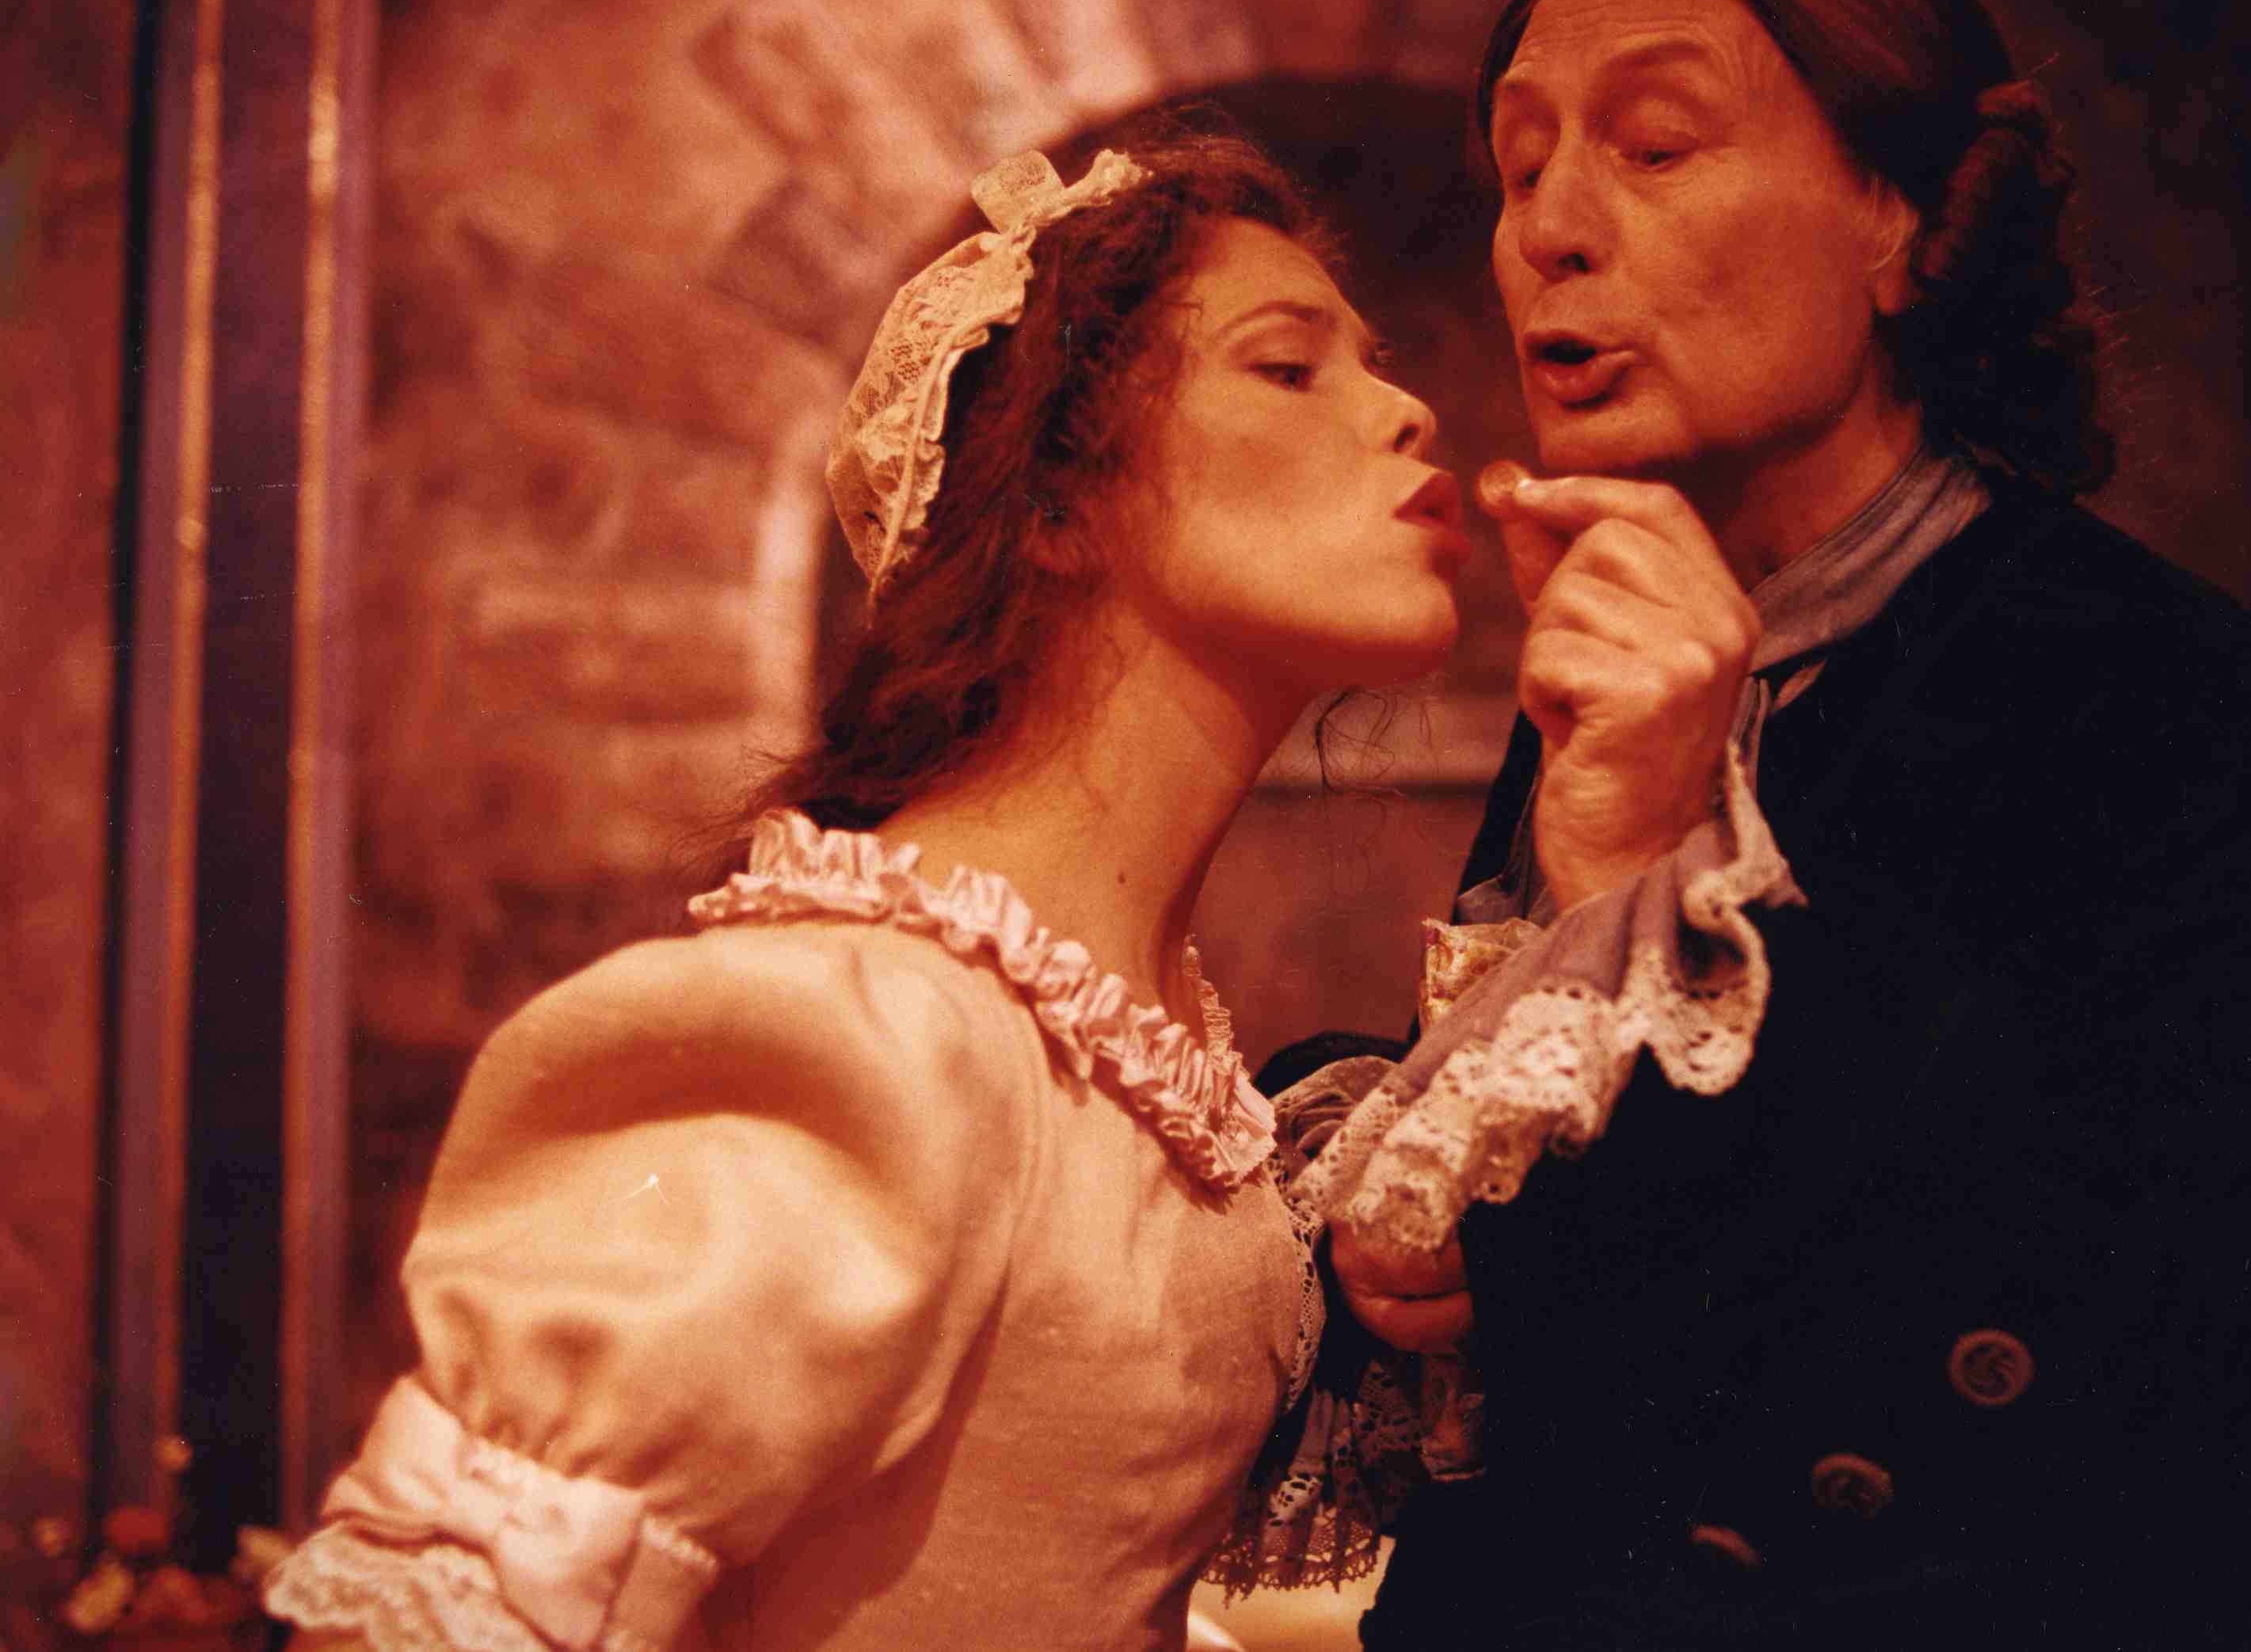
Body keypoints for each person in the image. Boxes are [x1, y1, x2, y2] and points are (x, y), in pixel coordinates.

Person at [1304, 0, 2251, 1650]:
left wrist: (1642, 875)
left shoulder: (2175, 699)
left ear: (1904, 222)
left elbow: (2007, 1367)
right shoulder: (1638, 670)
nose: (1548, 226)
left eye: (1653, 146)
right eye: (1518, 165)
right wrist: (1392, 1220)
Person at [261, 131, 1472, 1652]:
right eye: (1287, 368)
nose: (1407, 409)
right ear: (1054, 503)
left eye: (1370, 362)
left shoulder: (1139, 1058)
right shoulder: (858, 1038)